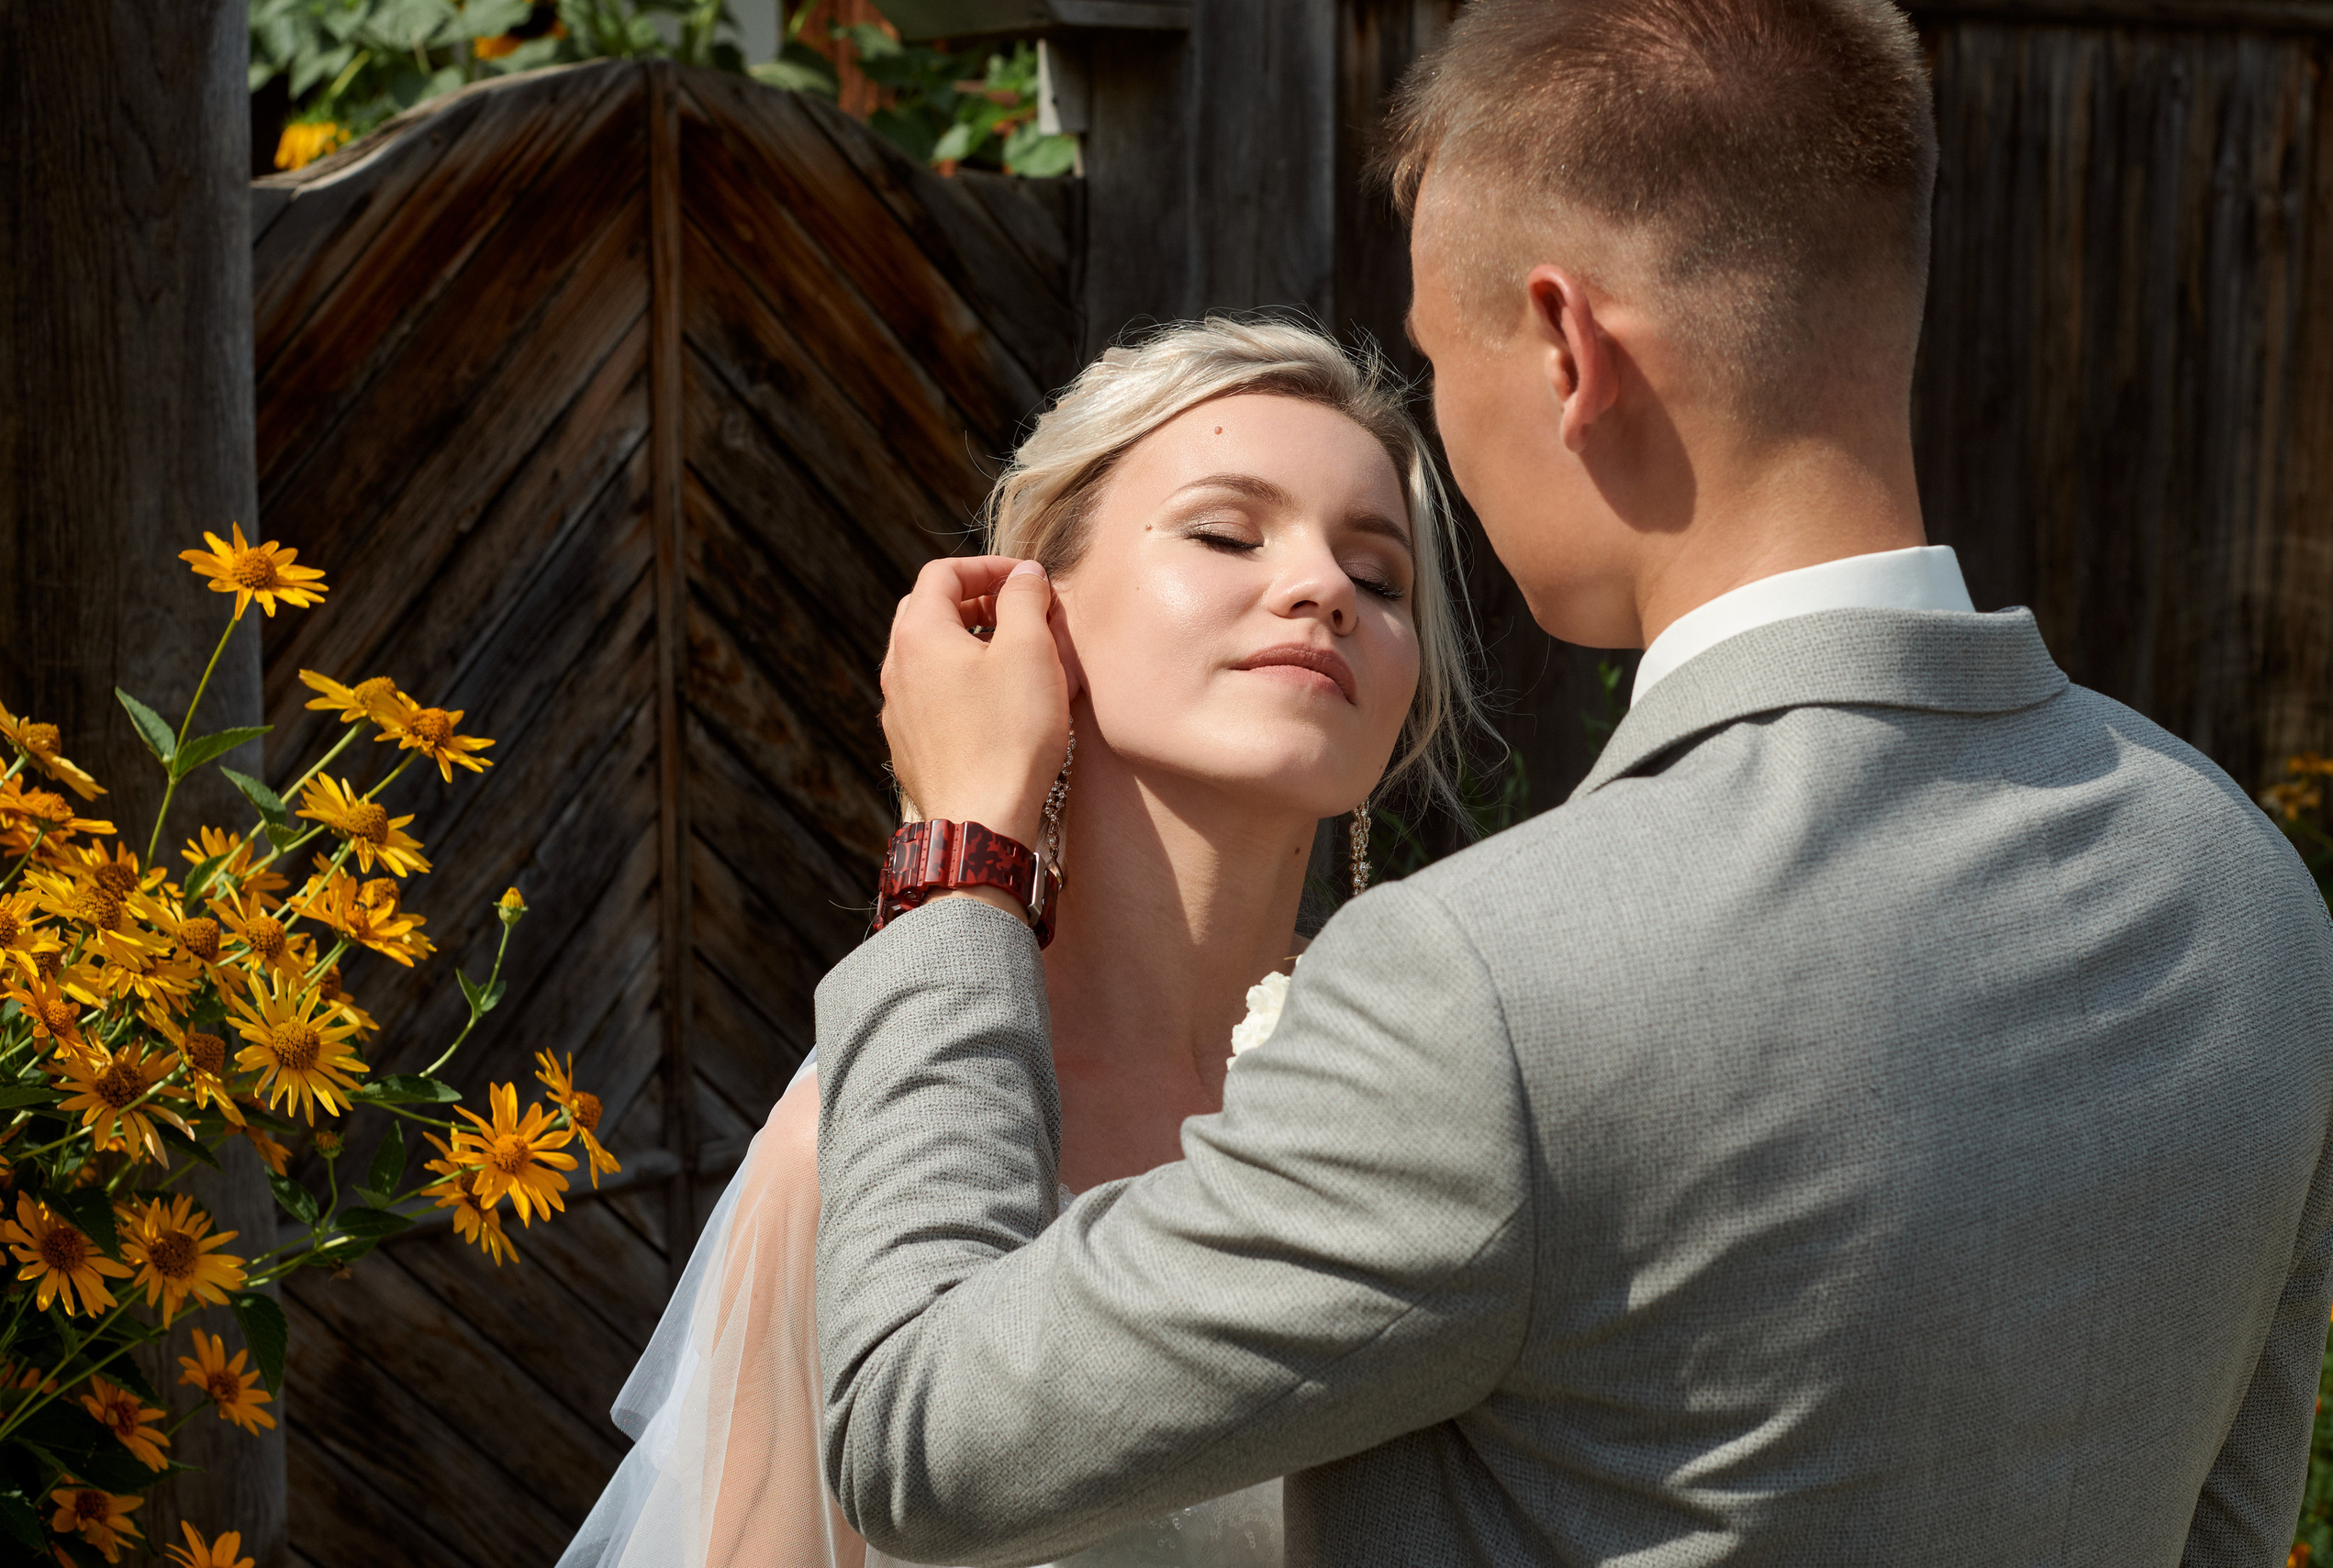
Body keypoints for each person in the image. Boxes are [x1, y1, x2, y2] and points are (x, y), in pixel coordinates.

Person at [813, 2, 2333, 1564]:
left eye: (1432, 356)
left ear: (1565, 347)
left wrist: (960, 852)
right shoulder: (2245, 896)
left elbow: (911, 1429)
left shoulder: (1487, 991)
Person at [558, 316, 1482, 1568]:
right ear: (1037, 613)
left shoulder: (1449, 1080)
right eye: (1225, 531)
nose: (1324, 587)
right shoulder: (860, 1143)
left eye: (1380, 578)